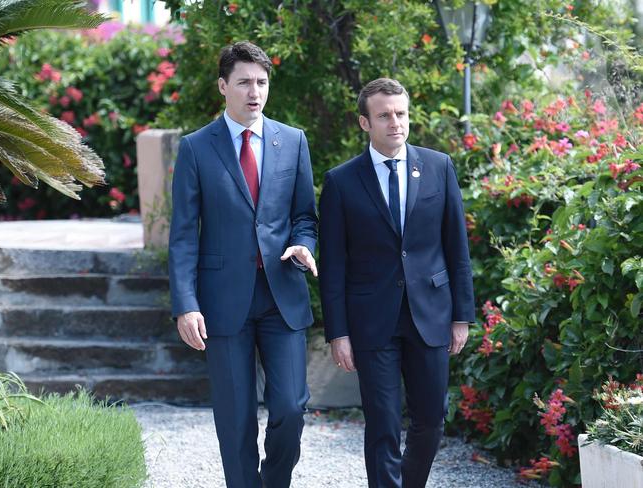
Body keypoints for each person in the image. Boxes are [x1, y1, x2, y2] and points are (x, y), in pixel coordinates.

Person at [168, 41, 318, 488]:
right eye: (244, 82)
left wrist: (303, 244)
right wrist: (186, 304)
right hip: (222, 302)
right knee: (235, 421)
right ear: (223, 86)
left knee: (290, 409)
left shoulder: (292, 141)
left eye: (261, 82)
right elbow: (182, 234)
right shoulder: (196, 148)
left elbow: (305, 215)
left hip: (282, 296)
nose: (255, 91)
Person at [318, 78, 475, 487]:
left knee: (431, 420)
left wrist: (462, 316)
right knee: (383, 423)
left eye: (401, 113)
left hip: (432, 315)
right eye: (384, 115)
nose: (395, 122)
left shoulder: (439, 166)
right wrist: (338, 332)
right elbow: (332, 265)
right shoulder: (341, 182)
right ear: (364, 123)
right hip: (373, 321)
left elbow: (457, 248)